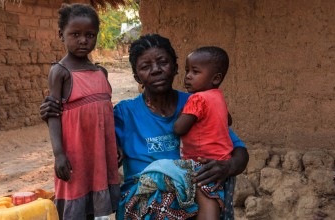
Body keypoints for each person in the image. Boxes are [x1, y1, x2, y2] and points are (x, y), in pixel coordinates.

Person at [40, 34, 249, 220]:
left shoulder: (197, 104)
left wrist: (227, 167)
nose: (156, 70)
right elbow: (87, 140)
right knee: (164, 207)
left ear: (176, 68)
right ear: (136, 77)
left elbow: (239, 151)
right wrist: (58, 111)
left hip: (193, 193)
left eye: (163, 62)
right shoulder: (124, 113)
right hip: (143, 198)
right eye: (145, 66)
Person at [46, 3, 119, 219]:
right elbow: (53, 114)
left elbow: (104, 114)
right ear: (61, 35)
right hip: (75, 152)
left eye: (90, 35)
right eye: (75, 34)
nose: (83, 40)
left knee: (98, 207)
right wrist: (59, 154)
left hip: (99, 152)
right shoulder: (60, 72)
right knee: (76, 195)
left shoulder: (101, 73)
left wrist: (116, 143)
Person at [173, 46, 233, 219]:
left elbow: (179, 128)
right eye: (187, 71)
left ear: (215, 79)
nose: (188, 76)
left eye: (195, 72)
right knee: (220, 201)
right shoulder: (218, 96)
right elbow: (228, 121)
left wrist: (182, 113)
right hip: (222, 161)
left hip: (203, 163)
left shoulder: (197, 99)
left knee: (206, 202)